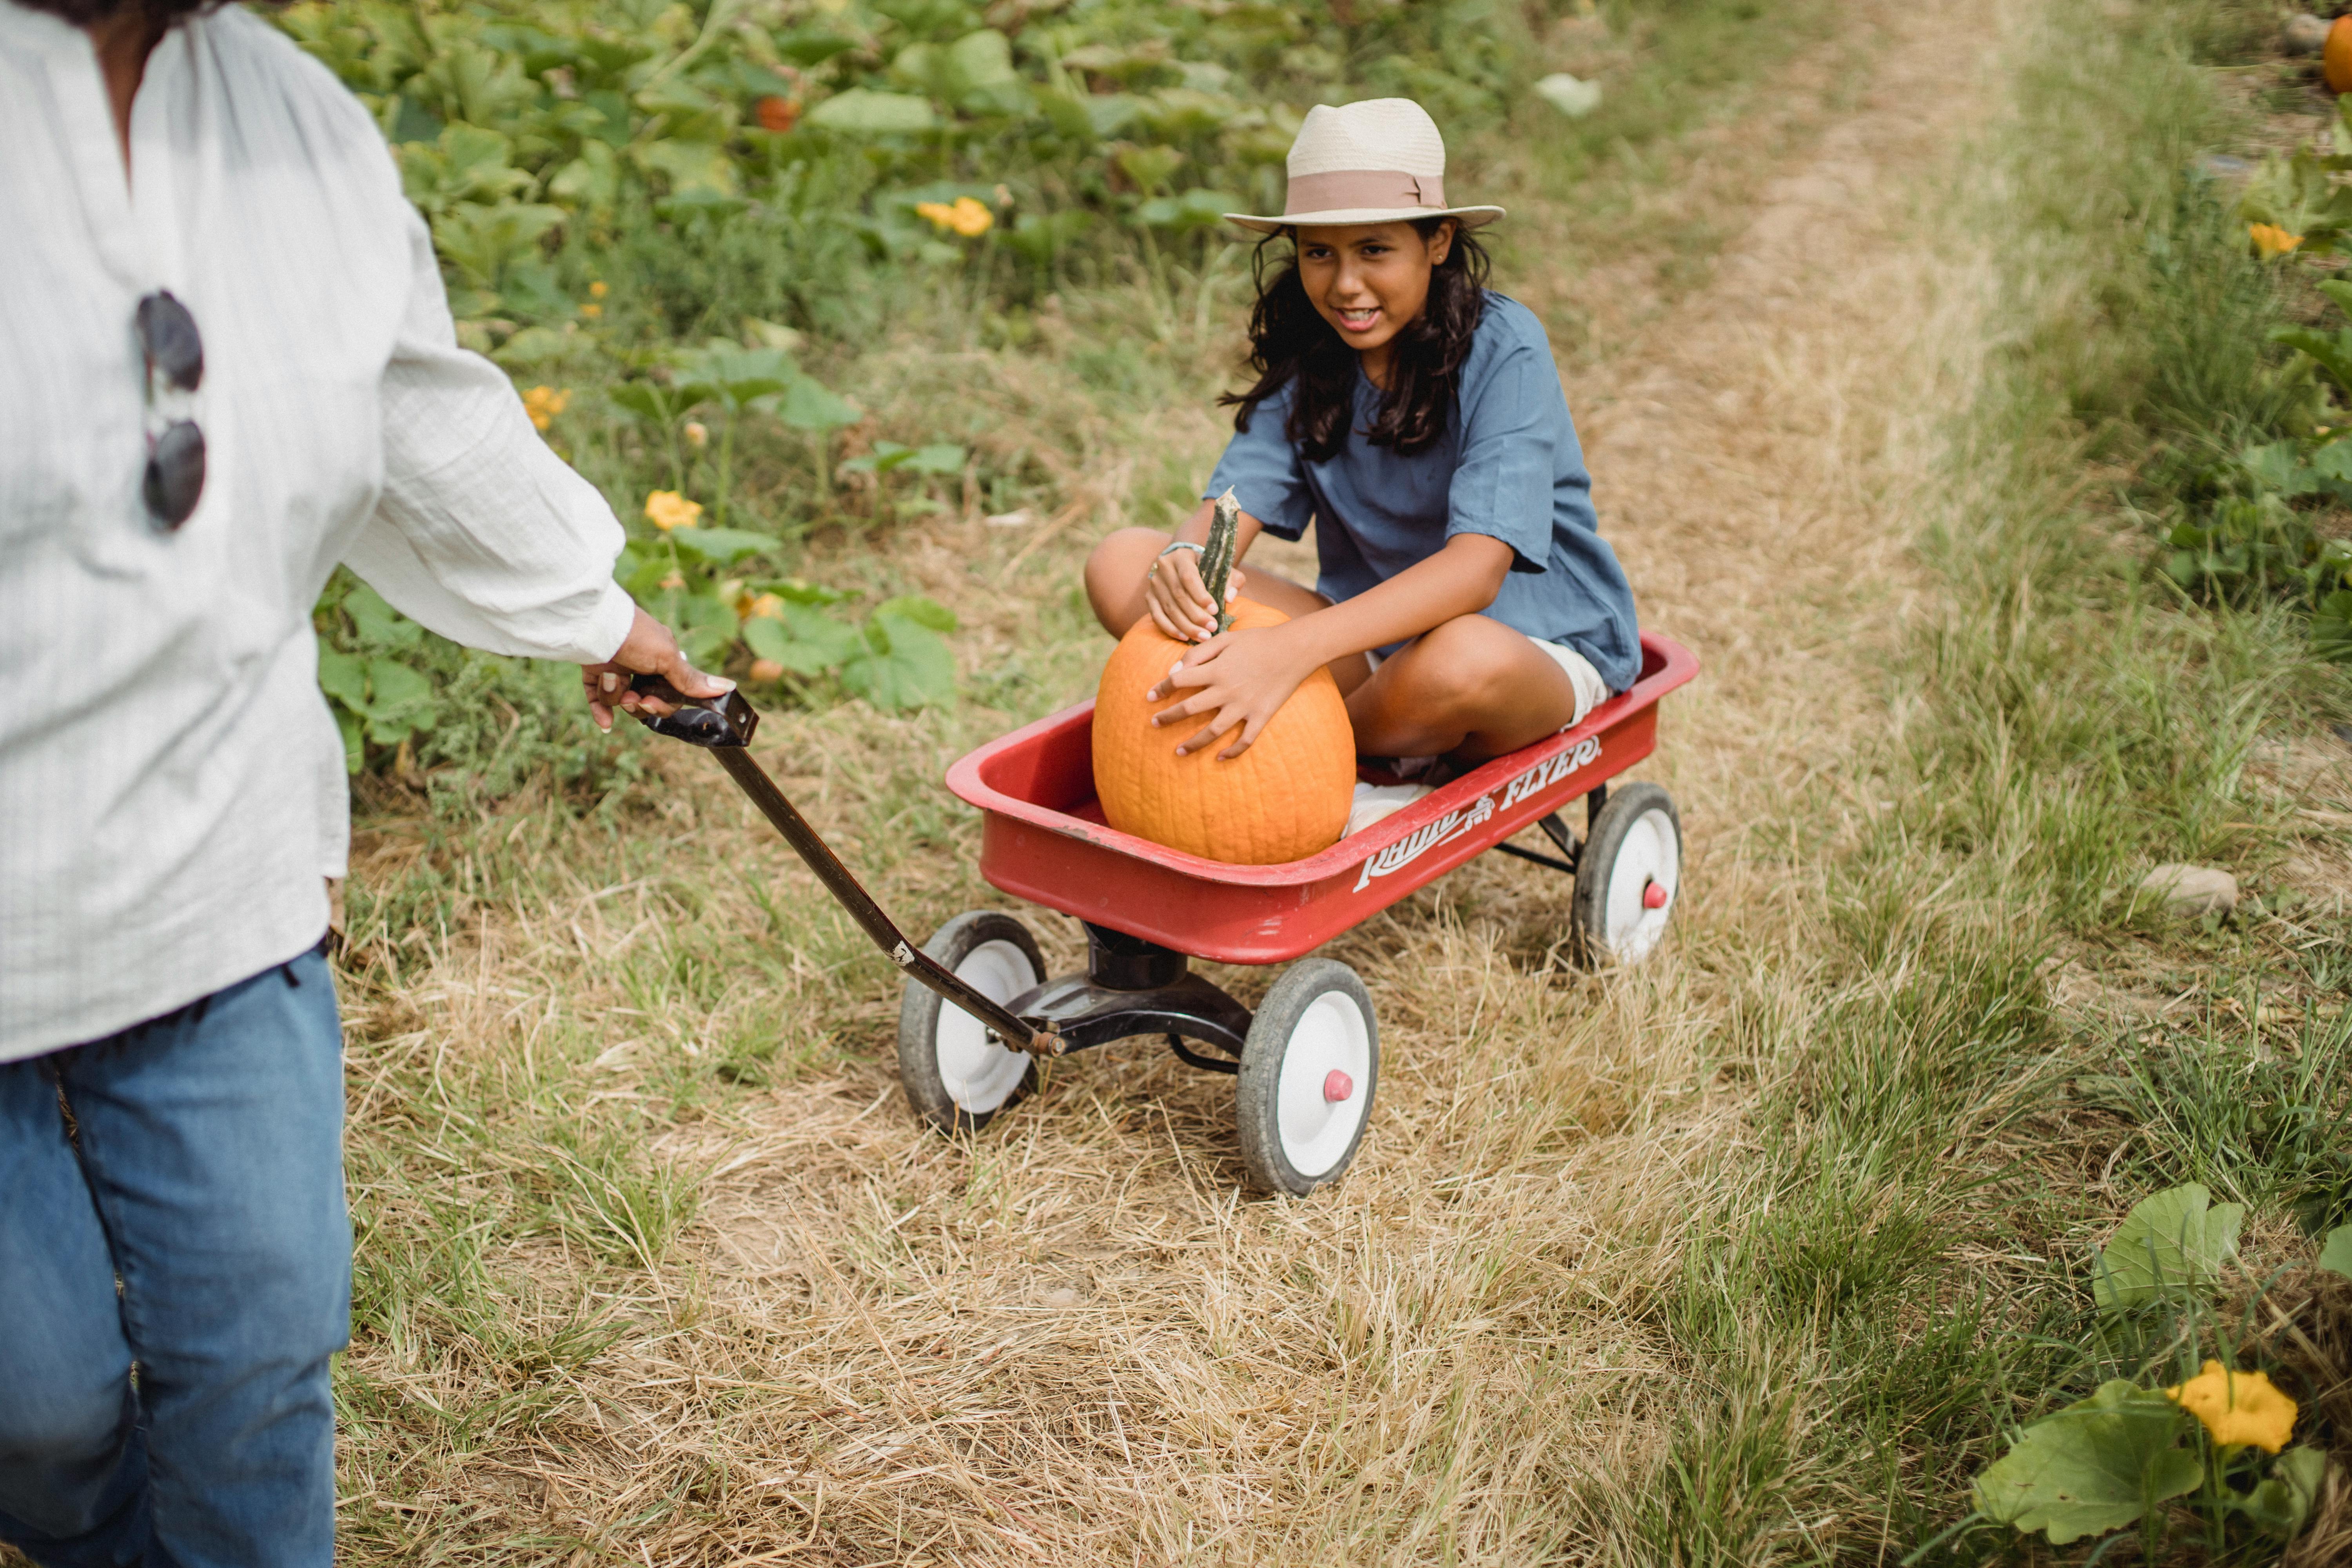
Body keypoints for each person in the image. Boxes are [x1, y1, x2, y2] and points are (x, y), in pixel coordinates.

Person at [0, 0, 729, 1561]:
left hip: (221, 869)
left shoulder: (292, 118)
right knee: (40, 1410)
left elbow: (409, 405)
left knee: (262, 1347)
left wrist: (598, 613)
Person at [1083, 98, 1640, 818]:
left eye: (1374, 250)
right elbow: (1229, 511)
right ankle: (1338, 737)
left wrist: (1287, 656)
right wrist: (1188, 563)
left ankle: (1319, 752)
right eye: (1320, 253)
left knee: (1460, 657)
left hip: (1530, 647)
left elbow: (1478, 571)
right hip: (1370, 644)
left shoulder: (1506, 347)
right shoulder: (1313, 359)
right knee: (1124, 562)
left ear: (1437, 242)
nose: (1345, 285)